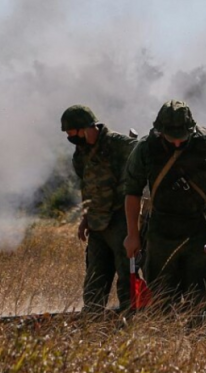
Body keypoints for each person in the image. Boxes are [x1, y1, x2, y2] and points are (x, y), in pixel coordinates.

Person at [122, 100, 206, 304]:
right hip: (160, 234)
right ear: (159, 130)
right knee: (161, 302)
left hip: (198, 232)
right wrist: (132, 235)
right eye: (171, 138)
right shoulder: (145, 149)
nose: (176, 144)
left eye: (181, 138)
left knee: (201, 303)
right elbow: (132, 192)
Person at [61, 104, 137, 313]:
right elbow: (87, 189)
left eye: (72, 132)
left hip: (120, 220)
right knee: (95, 277)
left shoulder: (119, 144)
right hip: (96, 224)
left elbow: (142, 165)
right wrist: (85, 219)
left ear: (85, 127)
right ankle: (92, 324)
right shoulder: (80, 155)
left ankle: (132, 321)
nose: (70, 137)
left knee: (126, 275)